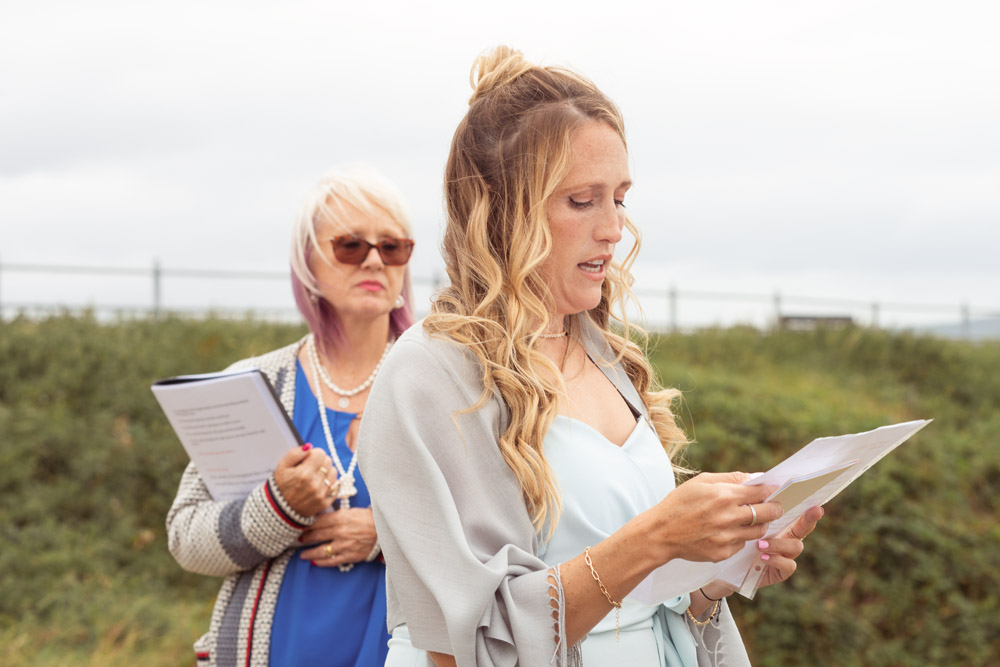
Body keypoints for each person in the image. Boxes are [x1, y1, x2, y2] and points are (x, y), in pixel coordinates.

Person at [357, 47, 825, 667]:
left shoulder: (606, 356)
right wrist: (655, 537)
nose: (613, 229)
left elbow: (642, 602)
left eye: (620, 198)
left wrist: (718, 571)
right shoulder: (428, 375)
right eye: (582, 201)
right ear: (499, 211)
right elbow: (468, 642)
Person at [166, 166, 416, 666]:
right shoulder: (251, 385)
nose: (374, 260)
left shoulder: (443, 385)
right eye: (350, 245)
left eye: (392, 247)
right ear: (309, 264)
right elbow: (186, 537)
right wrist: (278, 506)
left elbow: (502, 531)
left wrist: (385, 535)